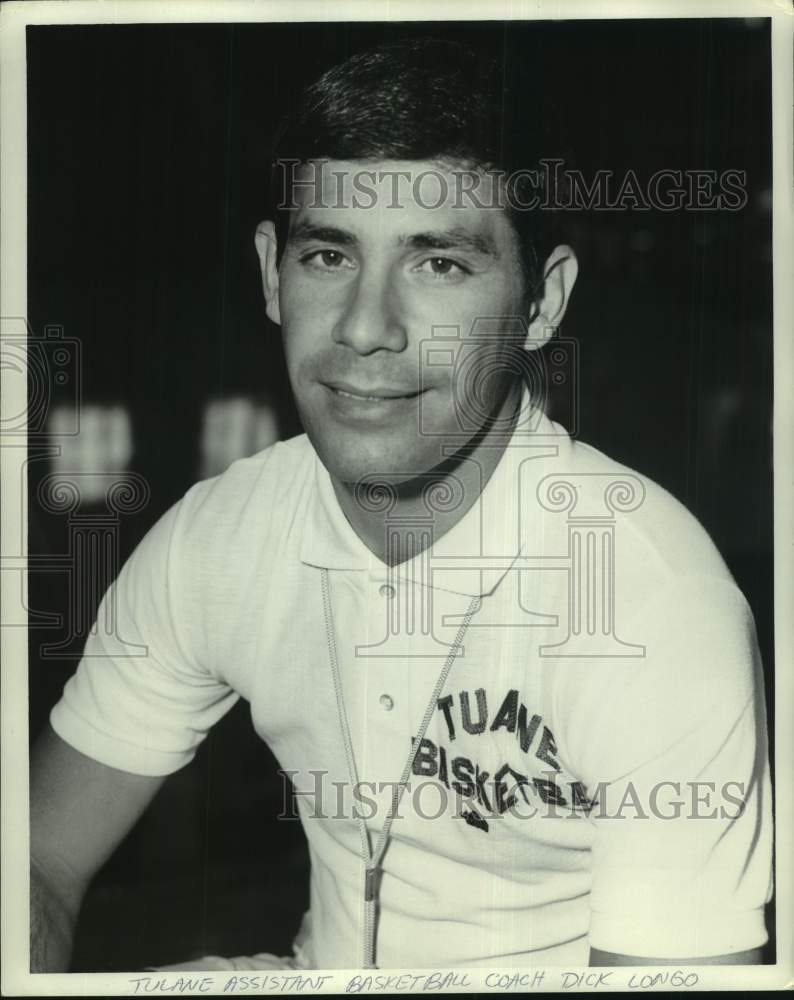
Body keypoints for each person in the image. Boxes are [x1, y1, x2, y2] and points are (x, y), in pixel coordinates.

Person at [30, 38, 772, 972]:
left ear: (541, 304)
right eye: (330, 255)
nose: (365, 329)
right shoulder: (216, 536)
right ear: (270, 273)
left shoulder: (649, 600)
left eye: (440, 266)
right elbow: (39, 853)